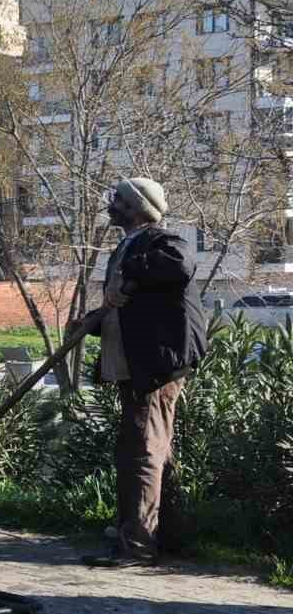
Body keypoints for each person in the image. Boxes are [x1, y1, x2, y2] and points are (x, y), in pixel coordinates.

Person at [75, 178, 208, 568]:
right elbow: (133, 308)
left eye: (118, 199)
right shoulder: (129, 246)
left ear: (137, 207)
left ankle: (138, 546)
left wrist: (128, 276)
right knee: (136, 451)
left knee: (145, 452)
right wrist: (93, 322)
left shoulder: (161, 241)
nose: (111, 204)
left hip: (154, 368)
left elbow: (181, 264)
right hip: (133, 367)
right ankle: (138, 534)